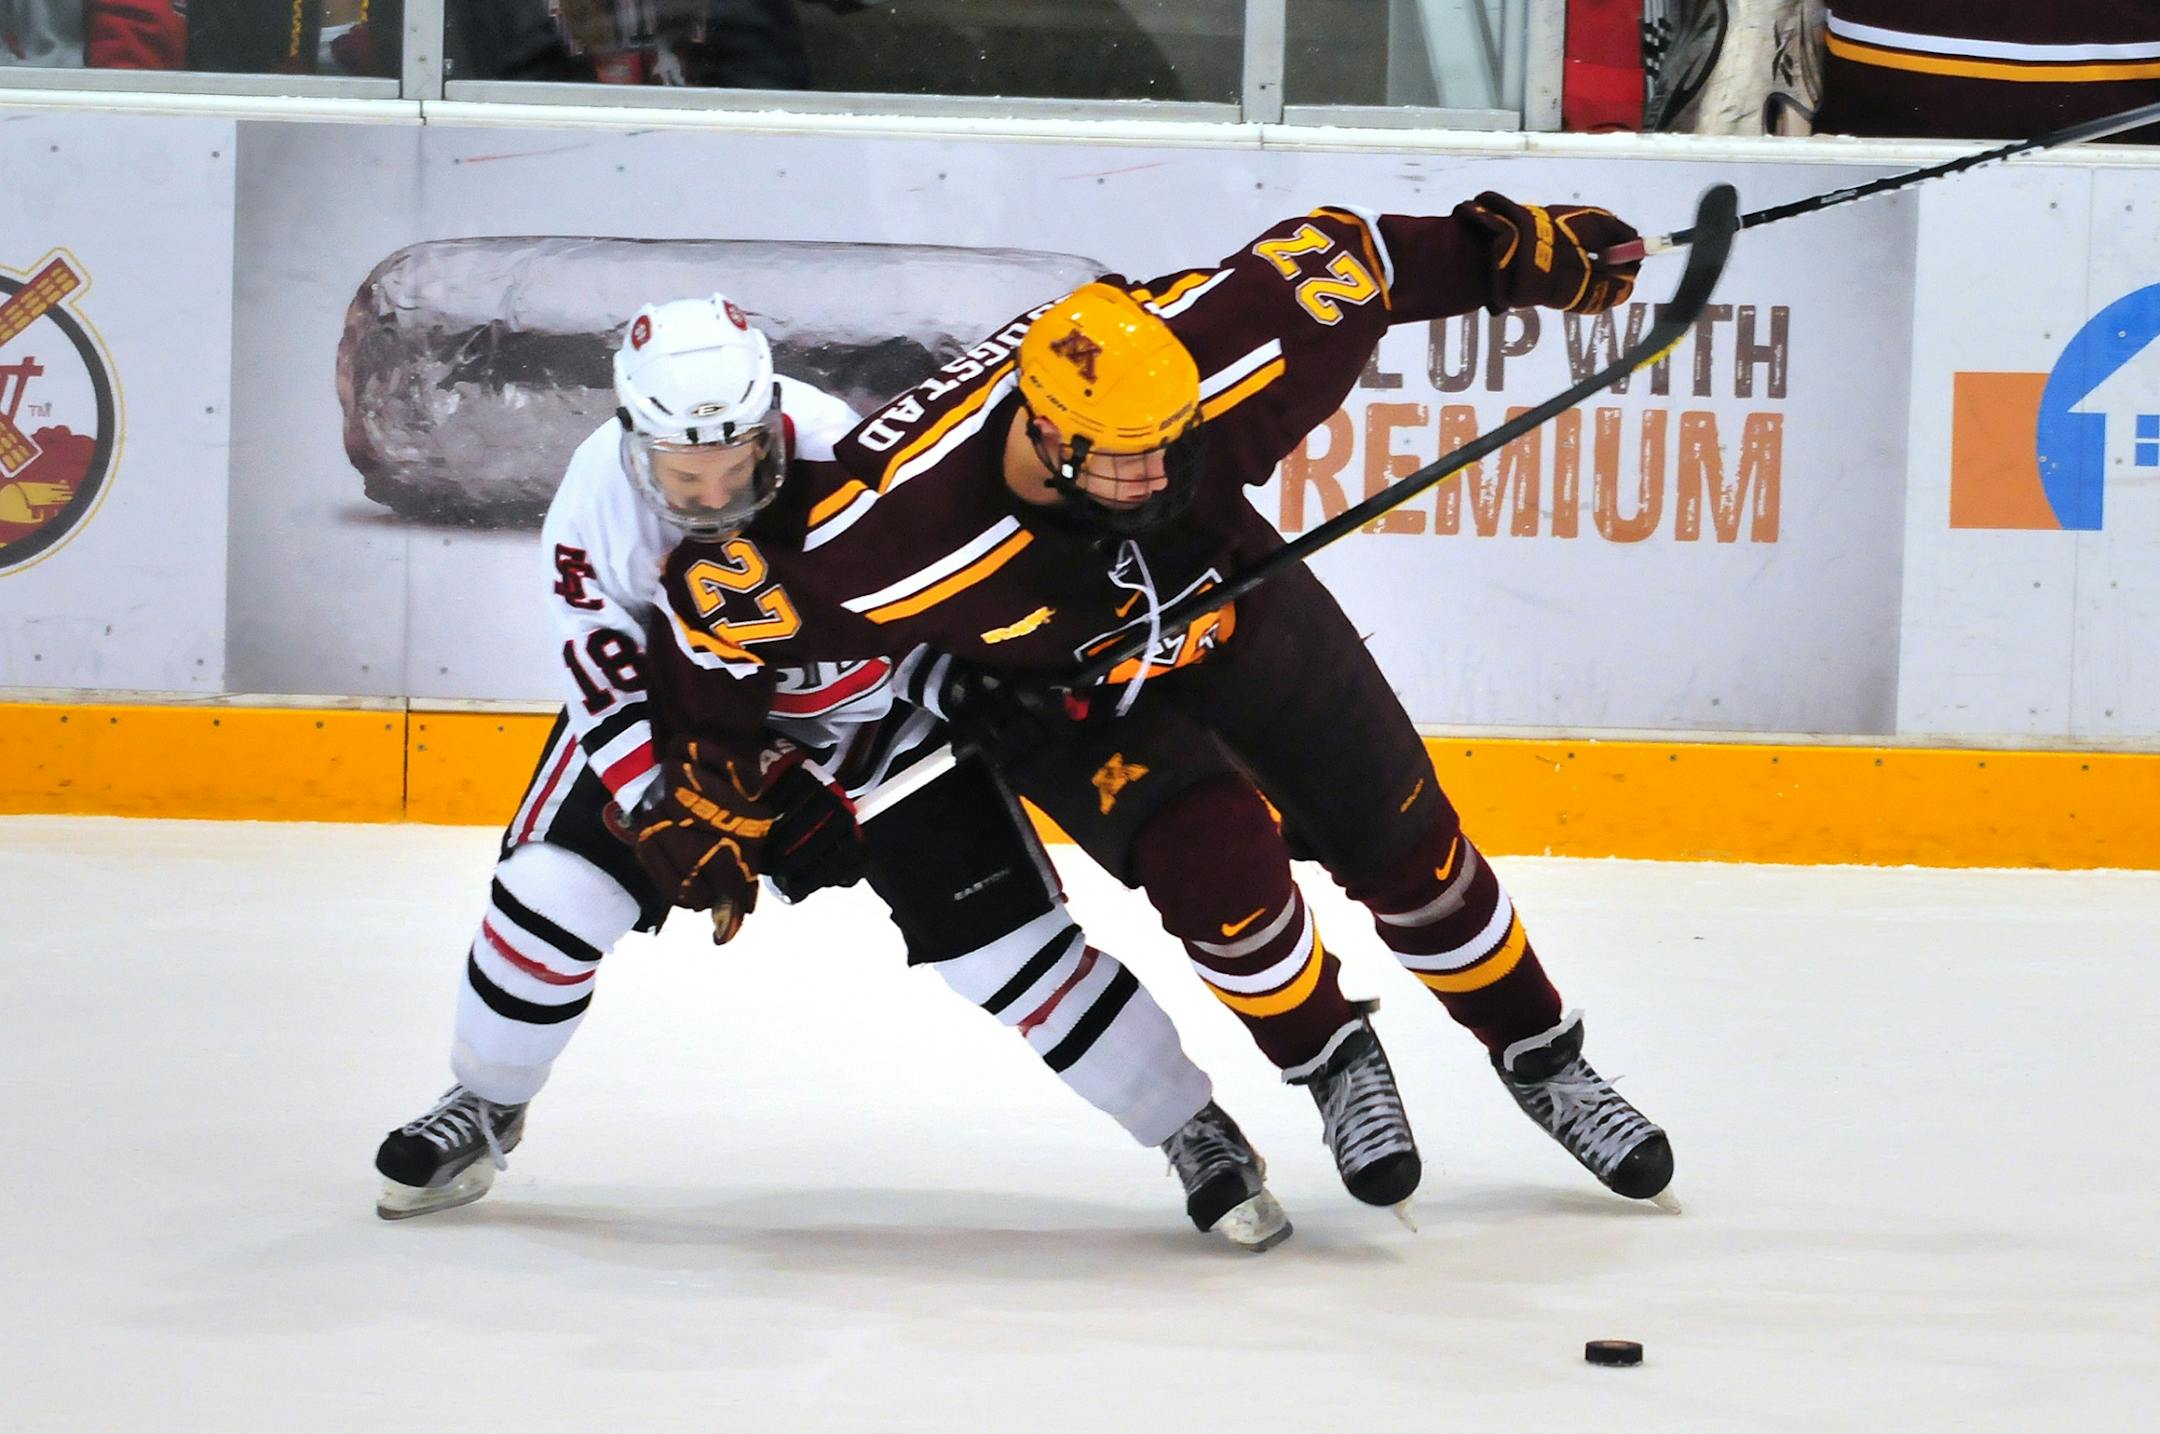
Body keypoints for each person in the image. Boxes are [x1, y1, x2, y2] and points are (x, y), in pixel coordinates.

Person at [644, 197, 1676, 1214]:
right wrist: (719, 784)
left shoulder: (1213, 357)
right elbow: (716, 620)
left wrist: (1507, 255)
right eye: (1118, 457)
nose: (1152, 474)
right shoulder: (892, 535)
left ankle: (1541, 1054)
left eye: (1167, 444)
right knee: (1220, 879)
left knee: (1406, 845)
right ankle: (1329, 1055)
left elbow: (1357, 258)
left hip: (1233, 606)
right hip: (1067, 697)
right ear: (1044, 432)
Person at [373, 294, 1289, 1252]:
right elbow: (606, 680)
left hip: (864, 722)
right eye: (687, 478)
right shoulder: (594, 502)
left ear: (773, 421)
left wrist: (957, 689)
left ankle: (1194, 1129)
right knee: (551, 898)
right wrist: (662, 806)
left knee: (1007, 951)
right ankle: (483, 1104)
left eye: (741, 466)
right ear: (633, 440)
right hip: (687, 730)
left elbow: (903, 625)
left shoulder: (845, 450)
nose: (718, 497)